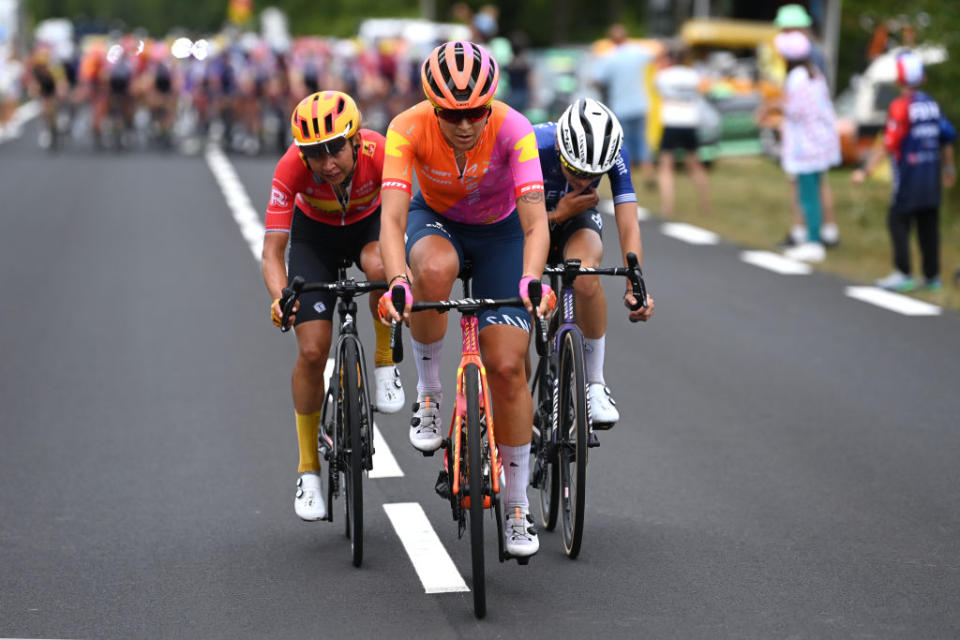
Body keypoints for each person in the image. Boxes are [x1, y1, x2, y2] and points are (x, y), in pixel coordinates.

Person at [378, 41, 552, 558]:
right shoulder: (406, 128)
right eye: (451, 114)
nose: (465, 124)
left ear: (490, 104)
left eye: (476, 112)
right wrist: (395, 279)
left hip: (501, 235)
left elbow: (536, 221)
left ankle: (517, 505)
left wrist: (531, 278)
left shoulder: (514, 128)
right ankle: (429, 393)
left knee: (505, 366)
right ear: (433, 107)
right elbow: (390, 219)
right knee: (432, 269)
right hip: (436, 223)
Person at [262, 90, 405, 521]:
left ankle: (384, 362)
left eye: (334, 149)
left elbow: (404, 222)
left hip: (369, 227)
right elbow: (273, 251)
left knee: (381, 262)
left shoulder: (381, 152)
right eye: (315, 154)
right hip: (315, 237)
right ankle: (308, 469)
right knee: (311, 351)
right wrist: (280, 297)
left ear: (356, 140)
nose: (327, 163)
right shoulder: (291, 166)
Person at [533, 98, 654, 431]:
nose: (584, 182)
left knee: (585, 275)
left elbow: (629, 224)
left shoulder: (614, 154)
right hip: (526, 223)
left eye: (593, 176)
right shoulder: (532, 145)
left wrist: (635, 284)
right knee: (523, 301)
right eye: (575, 170)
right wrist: (557, 214)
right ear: (560, 148)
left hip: (576, 220)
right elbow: (501, 225)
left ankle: (595, 385)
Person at [852, 52, 956, 291]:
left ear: (899, 80)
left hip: (908, 178)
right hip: (931, 178)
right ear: (923, 78)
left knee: (897, 221)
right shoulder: (931, 104)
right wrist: (949, 168)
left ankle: (903, 272)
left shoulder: (900, 107)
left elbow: (888, 145)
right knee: (928, 226)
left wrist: (865, 171)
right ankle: (932, 277)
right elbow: (947, 138)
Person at [772, 3, 840, 249]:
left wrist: (778, 108)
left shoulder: (801, 59)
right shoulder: (815, 54)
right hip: (820, 131)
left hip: (806, 136)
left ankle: (804, 232)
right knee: (819, 181)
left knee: (804, 184)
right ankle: (827, 230)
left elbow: (798, 104)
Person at [591, 23, 656, 187]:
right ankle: (649, 174)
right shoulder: (637, 52)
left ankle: (628, 178)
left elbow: (596, 79)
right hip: (640, 104)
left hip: (620, 106)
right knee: (642, 141)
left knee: (624, 144)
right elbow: (655, 55)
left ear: (611, 40)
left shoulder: (610, 57)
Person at [654, 42, 711, 218]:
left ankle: (667, 207)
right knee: (695, 164)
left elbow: (659, 92)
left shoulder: (663, 75)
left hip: (671, 121)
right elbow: (700, 92)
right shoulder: (694, 75)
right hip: (689, 121)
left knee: (666, 166)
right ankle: (705, 204)